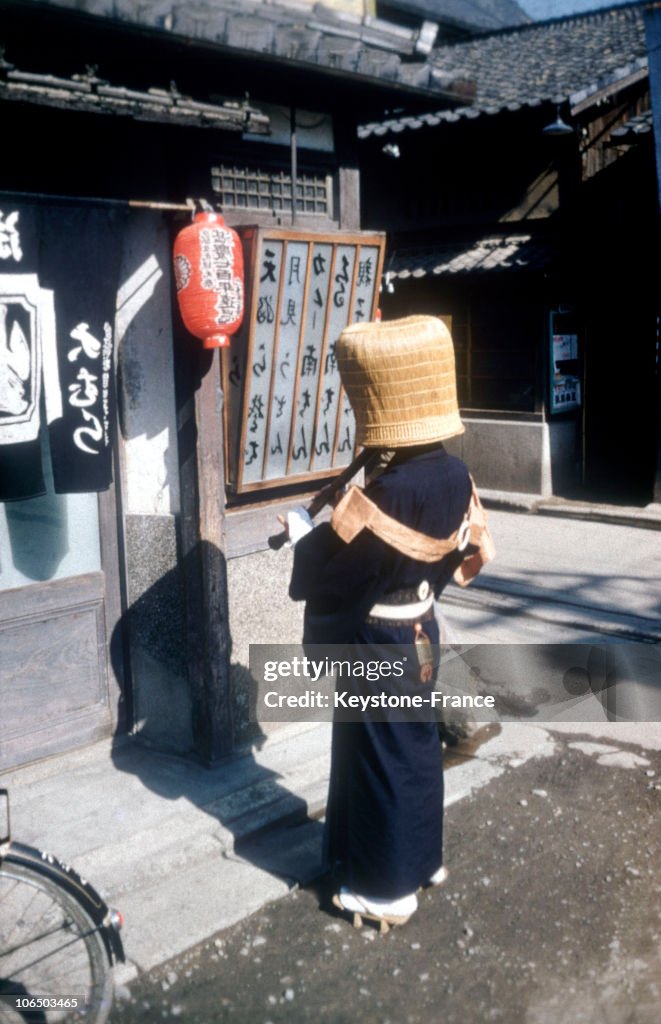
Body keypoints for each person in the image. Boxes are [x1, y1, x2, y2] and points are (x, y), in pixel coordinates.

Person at [285, 315, 481, 932]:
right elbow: (459, 550)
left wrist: (303, 542)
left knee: (380, 755)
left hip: (379, 637)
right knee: (414, 747)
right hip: (421, 625)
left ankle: (386, 888)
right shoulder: (453, 472)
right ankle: (420, 860)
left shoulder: (390, 490)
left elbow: (342, 572)